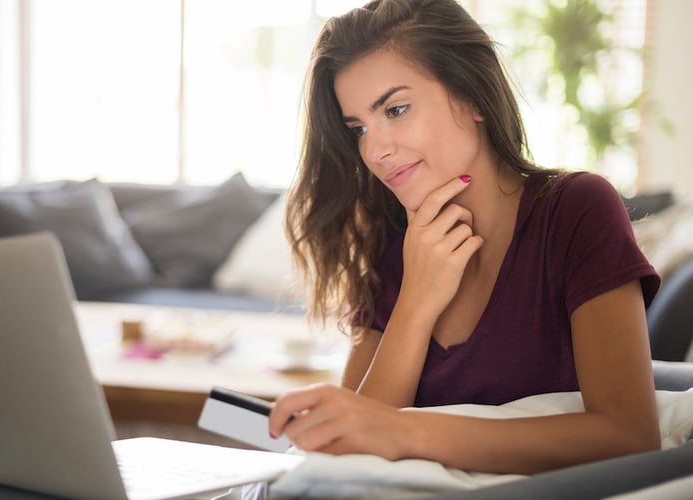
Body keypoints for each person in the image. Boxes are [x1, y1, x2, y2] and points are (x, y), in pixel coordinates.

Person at [269, 0, 661, 475]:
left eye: (396, 109)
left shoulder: (576, 210)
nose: (375, 150)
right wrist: (417, 299)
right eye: (358, 129)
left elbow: (630, 437)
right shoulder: (392, 243)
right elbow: (353, 451)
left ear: (471, 96)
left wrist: (405, 432)